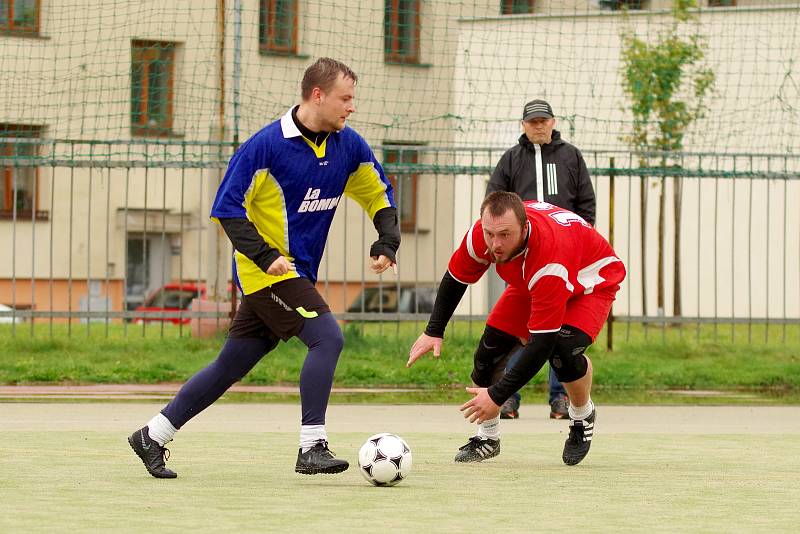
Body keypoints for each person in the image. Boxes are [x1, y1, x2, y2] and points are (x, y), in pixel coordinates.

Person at [128, 57, 400, 478]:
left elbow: (377, 193)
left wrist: (387, 239)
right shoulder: (265, 147)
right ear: (318, 95)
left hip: (297, 275)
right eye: (345, 98)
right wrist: (265, 255)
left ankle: (152, 434)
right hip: (266, 274)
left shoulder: (349, 145)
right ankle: (312, 446)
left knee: (230, 365)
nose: (352, 107)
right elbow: (227, 210)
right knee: (327, 338)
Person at [407, 191, 625, 465]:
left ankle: (582, 416)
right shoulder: (483, 234)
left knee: (562, 351)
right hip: (532, 282)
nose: (495, 244)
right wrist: (433, 330)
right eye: (490, 233)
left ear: (525, 228)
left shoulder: (549, 259)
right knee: (487, 355)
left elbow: (541, 345)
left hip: (590, 282)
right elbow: (455, 278)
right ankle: (488, 437)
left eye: (505, 235)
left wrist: (497, 396)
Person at [487, 99, 596, 420]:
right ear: (523, 125)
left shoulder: (570, 156)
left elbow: (586, 205)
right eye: (532, 121)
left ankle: (560, 398)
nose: (538, 126)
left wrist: (580, 243)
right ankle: (507, 397)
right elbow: (493, 201)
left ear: (553, 122)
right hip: (524, 260)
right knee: (519, 326)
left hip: (564, 259)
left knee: (559, 327)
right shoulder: (511, 159)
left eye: (543, 121)